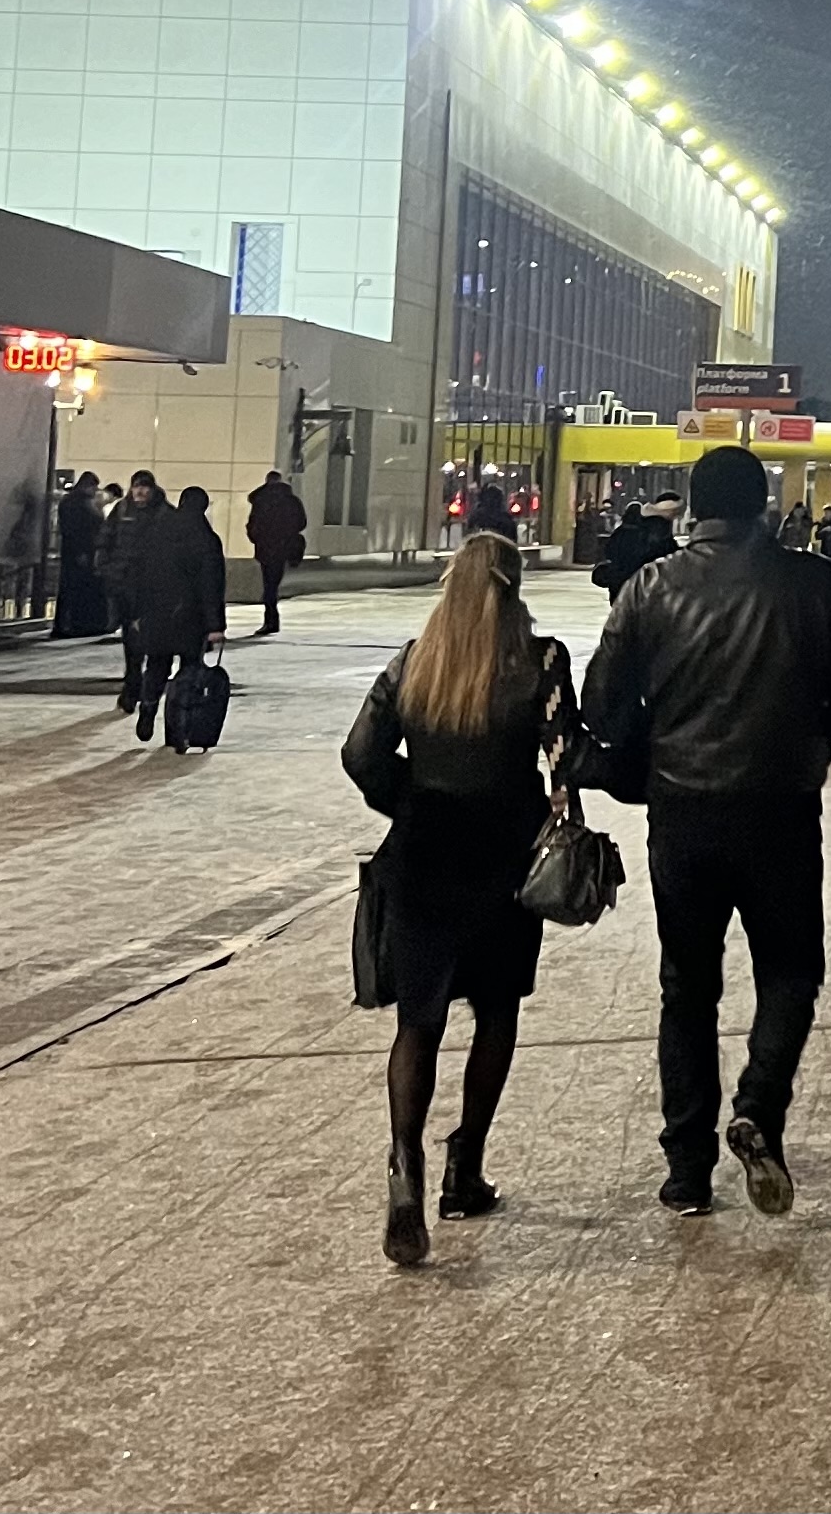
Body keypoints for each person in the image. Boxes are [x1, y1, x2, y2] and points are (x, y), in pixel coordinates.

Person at [578, 445, 831, 1219]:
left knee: (687, 985)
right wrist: (815, 744)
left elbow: (601, 702)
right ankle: (759, 1108)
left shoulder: (651, 586)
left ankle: (686, 1168)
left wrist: (651, 746)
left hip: (683, 810)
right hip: (780, 807)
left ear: (694, 506)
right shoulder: (811, 582)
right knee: (790, 969)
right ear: (762, 506)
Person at [339, 532, 577, 1267]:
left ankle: (403, 1161)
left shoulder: (415, 661)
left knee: (419, 1022)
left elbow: (359, 753)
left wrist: (409, 802)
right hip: (505, 860)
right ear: (513, 588)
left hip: (424, 857)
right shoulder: (541, 661)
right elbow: (565, 755)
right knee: (496, 1013)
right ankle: (464, 1167)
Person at [128, 487, 230, 745]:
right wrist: (215, 625)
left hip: (158, 612)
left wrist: (137, 612)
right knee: (189, 671)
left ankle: (147, 709)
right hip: (192, 617)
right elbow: (211, 585)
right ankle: (177, 729)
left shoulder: (157, 532)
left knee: (156, 665)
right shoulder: (206, 538)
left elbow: (141, 575)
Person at [98, 472, 169, 710]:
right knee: (130, 639)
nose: (140, 491)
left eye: (144, 487)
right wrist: (107, 569)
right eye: (136, 487)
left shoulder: (163, 513)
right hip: (124, 584)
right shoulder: (121, 510)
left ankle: (143, 688)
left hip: (152, 587)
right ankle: (132, 686)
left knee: (151, 640)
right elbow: (105, 540)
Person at [246, 469, 308, 635]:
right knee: (273, 585)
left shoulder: (261, 500)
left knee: (269, 585)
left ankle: (271, 620)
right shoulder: (291, 501)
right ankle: (272, 620)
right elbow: (301, 523)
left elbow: (253, 524)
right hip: (283, 547)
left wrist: (258, 539)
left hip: (266, 548)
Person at [50, 470, 110, 637]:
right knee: (77, 588)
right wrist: (82, 551)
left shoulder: (74, 501)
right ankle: (76, 624)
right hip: (81, 551)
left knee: (74, 588)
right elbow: (77, 530)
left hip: (78, 551)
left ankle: (73, 624)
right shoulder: (78, 503)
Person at [592, 496, 679, 600]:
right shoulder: (644, 534)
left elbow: (609, 551)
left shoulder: (620, 532)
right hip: (638, 577)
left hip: (619, 577)